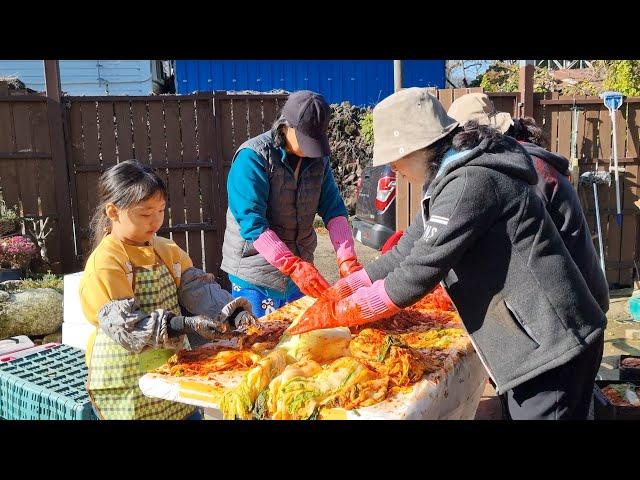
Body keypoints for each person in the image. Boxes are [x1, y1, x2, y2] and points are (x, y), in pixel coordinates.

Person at [290, 88, 607, 420]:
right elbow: (405, 253)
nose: (394, 168)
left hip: (553, 346)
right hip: (535, 344)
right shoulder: (448, 179)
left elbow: (418, 272)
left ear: (418, 147)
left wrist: (345, 312)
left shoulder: (471, 181)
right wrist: (347, 287)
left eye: (395, 157)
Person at [80, 160, 256, 420]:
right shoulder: (105, 262)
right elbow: (128, 327)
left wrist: (234, 315)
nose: (155, 221)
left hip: (172, 370)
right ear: (113, 212)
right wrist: (183, 324)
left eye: (160, 210)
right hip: (125, 383)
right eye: (145, 213)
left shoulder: (166, 249)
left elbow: (198, 289)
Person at [447, 93, 609, 315]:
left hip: (577, 308)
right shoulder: (518, 163)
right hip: (573, 297)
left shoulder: (529, 171)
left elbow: (523, 253)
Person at [221, 90, 363, 317]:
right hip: (255, 273)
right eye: (306, 138)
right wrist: (293, 266)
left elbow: (333, 208)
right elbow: (252, 224)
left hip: (300, 273)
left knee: (300, 343)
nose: (311, 149)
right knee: (258, 345)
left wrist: (347, 258)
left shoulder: (318, 160)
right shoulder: (252, 157)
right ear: (285, 126)